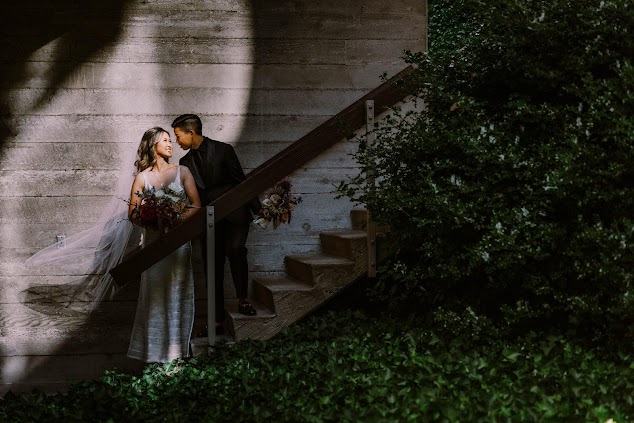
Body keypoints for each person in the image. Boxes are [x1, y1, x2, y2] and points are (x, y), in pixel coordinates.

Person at [171, 114, 260, 332]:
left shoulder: (224, 150)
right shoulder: (184, 163)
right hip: (208, 221)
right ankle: (217, 320)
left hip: (235, 214)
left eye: (178, 136)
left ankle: (243, 300)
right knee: (212, 266)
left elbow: (240, 181)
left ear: (191, 133)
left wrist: (260, 210)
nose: (177, 141)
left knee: (236, 251)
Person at [126, 127, 202, 363]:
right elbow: (133, 213)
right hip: (153, 244)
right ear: (153, 146)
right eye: (165, 140)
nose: (170, 144)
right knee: (153, 297)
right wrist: (153, 219)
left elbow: (196, 205)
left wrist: (175, 218)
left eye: (171, 140)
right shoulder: (142, 178)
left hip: (178, 244)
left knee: (178, 293)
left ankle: (176, 355)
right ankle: (152, 355)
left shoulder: (182, 171)